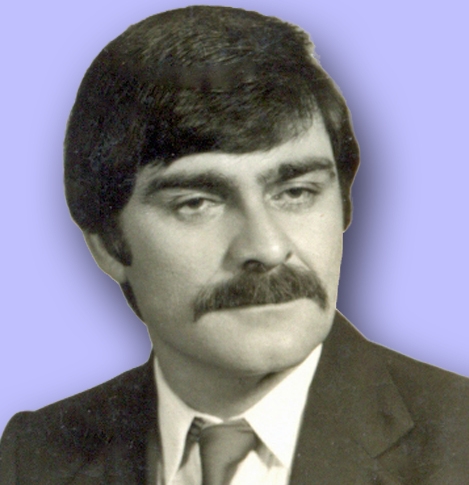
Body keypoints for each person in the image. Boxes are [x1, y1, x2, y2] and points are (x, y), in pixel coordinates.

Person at [1, 5, 468, 484]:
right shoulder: (30, 457)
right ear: (107, 245)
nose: (266, 248)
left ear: (344, 206)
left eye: (296, 193)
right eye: (196, 203)